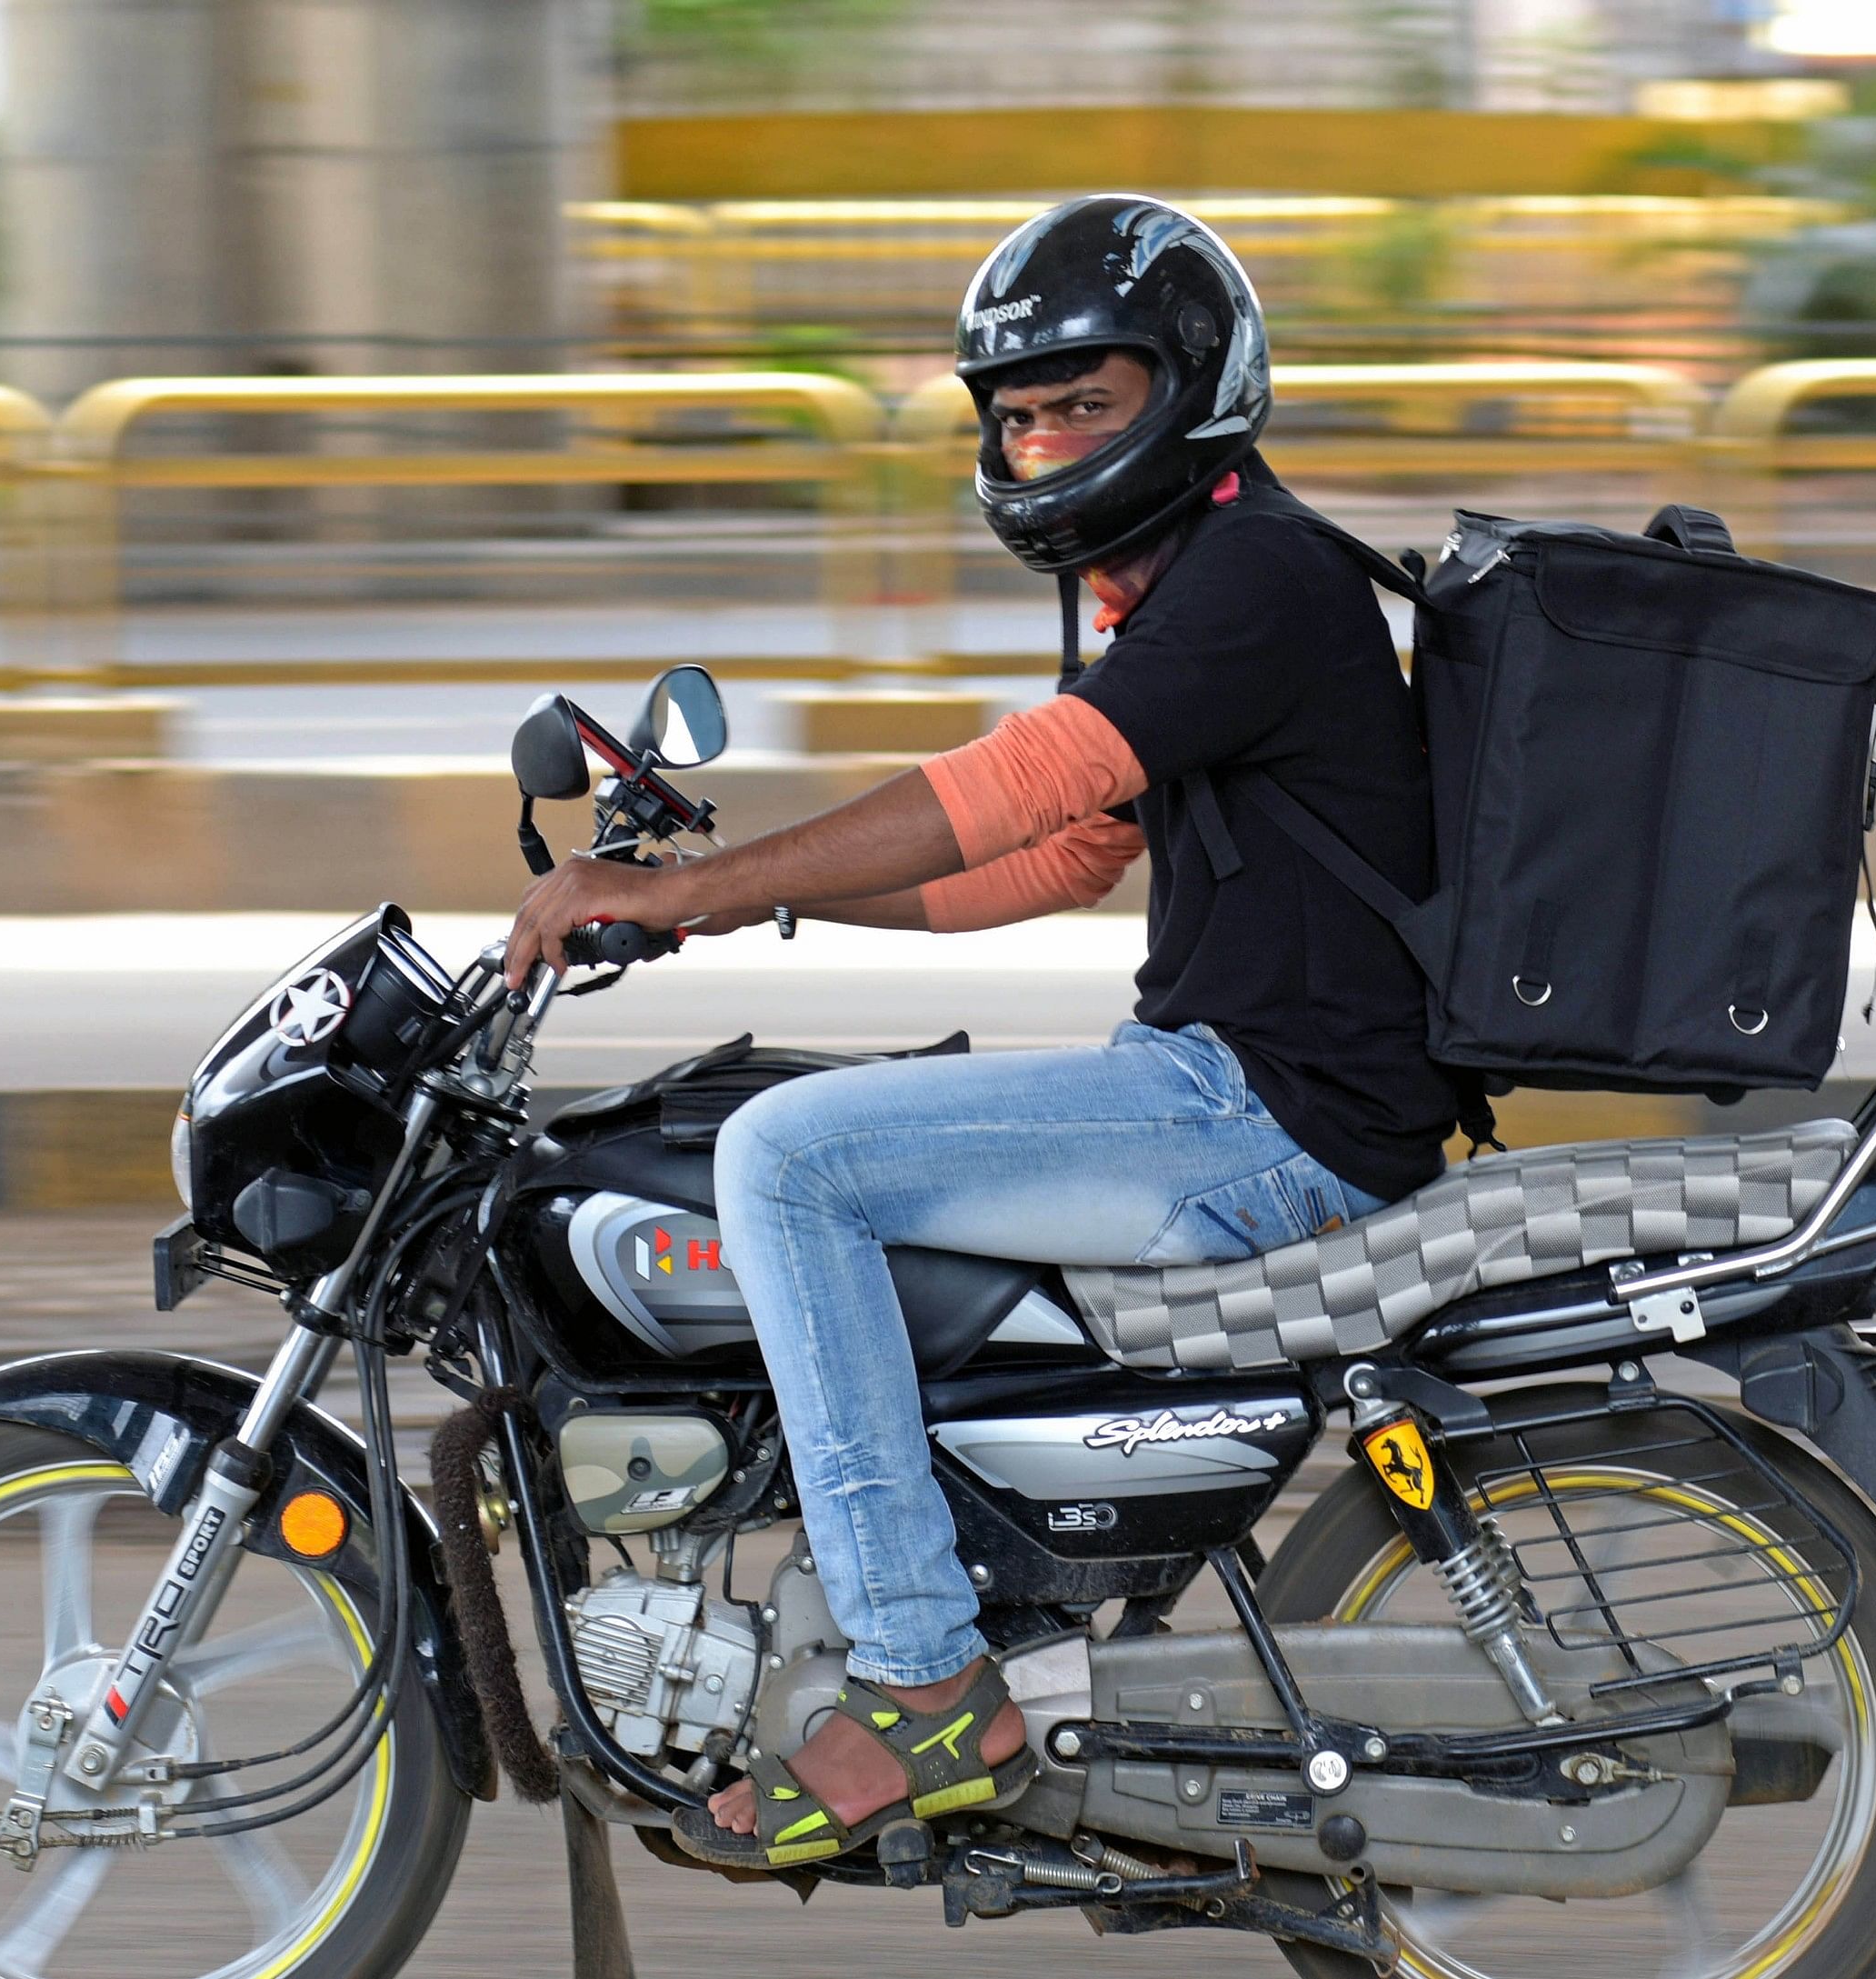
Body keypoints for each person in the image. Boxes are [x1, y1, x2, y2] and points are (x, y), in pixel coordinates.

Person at [502, 195, 1474, 1871]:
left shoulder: (1260, 578)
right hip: (1229, 1085)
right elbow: (1061, 857)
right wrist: (759, 899)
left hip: (1264, 1116)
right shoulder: (1206, 585)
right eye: (1016, 411)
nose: (1041, 438)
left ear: (1190, 388)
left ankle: (921, 1673)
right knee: (804, 1120)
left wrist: (713, 889)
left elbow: (1023, 785)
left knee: (786, 1160)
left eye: (1082, 401)